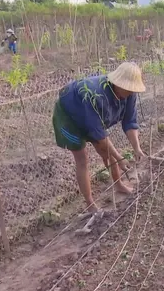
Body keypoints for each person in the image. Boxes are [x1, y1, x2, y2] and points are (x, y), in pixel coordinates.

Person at [52, 62, 147, 212]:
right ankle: (90, 204)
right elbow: (100, 135)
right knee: (82, 159)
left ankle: (119, 185)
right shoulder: (94, 95)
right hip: (69, 117)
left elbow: (130, 121)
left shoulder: (129, 94)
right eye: (128, 88)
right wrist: (120, 159)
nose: (130, 91)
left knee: (107, 153)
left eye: (132, 88)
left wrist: (137, 148)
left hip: (92, 117)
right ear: (117, 82)